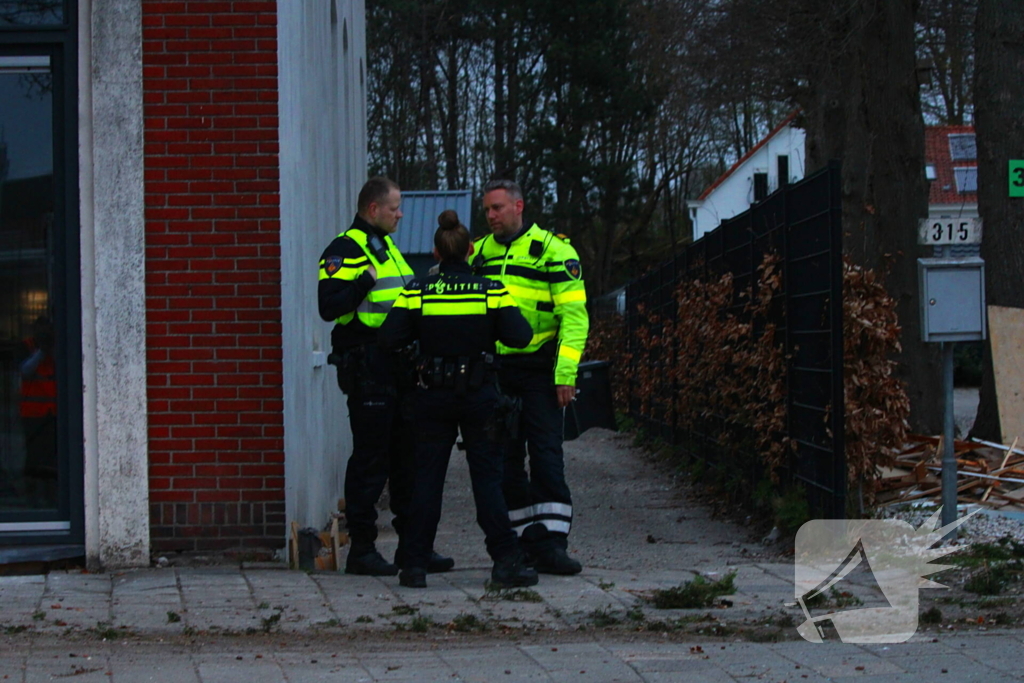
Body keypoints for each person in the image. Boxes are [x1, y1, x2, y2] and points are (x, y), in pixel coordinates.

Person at [379, 209, 538, 589]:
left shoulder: (416, 290)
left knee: (426, 481)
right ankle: (505, 561)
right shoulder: (491, 290)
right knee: (488, 480)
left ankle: (414, 565)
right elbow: (521, 336)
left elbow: (388, 339)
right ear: (470, 250)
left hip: (431, 396)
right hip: (479, 396)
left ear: (435, 254)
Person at [318, 177, 453, 576]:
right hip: (368, 366)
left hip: (398, 368)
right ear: (373, 209)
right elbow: (330, 308)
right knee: (371, 460)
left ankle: (413, 548)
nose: (401, 213)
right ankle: (362, 549)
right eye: (395, 207)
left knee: (406, 459)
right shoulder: (344, 249)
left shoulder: (386, 246)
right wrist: (362, 281)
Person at [474, 179, 590, 575]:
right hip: (497, 374)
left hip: (540, 374)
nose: (490, 216)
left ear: (519, 206)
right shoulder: (480, 253)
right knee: (506, 463)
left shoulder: (554, 251)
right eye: (487, 209)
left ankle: (553, 545)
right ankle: (522, 543)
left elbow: (574, 319)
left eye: (497, 208)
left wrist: (565, 375)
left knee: (546, 459)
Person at [19, 316, 58, 505]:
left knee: (52, 459)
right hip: (33, 413)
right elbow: (25, 370)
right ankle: (32, 499)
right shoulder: (27, 346)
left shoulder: (58, 346)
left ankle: (52, 498)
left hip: (54, 412)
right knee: (34, 458)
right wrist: (42, 351)